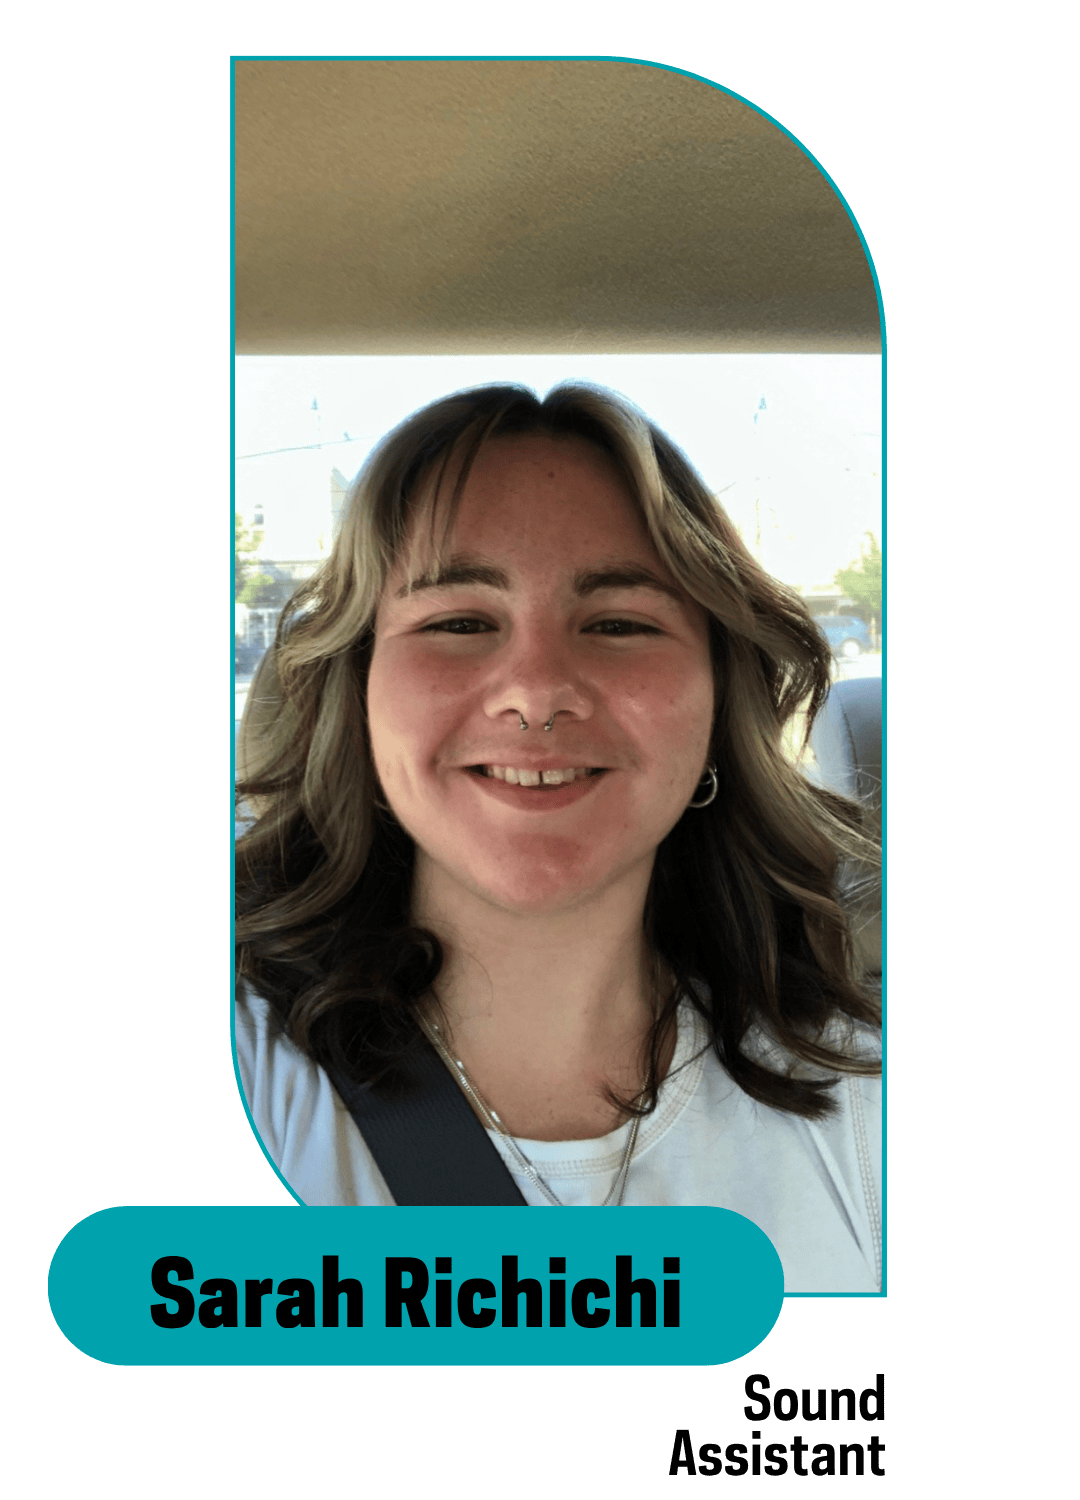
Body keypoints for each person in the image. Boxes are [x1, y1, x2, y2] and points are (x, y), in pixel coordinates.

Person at [235, 383, 882, 1293]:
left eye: (619, 624)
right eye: (459, 622)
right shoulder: (243, 1068)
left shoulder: (866, 1106)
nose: (535, 691)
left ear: (715, 705)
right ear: (361, 693)